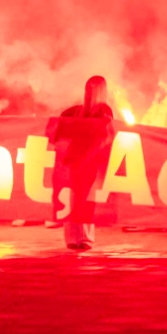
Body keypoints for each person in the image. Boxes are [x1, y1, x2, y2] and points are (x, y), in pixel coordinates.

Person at [47, 75, 116, 251]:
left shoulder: (104, 111)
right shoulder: (77, 111)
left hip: (92, 159)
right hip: (76, 159)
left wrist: (97, 149)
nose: (87, 92)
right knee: (73, 196)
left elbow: (109, 133)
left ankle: (85, 237)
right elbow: (62, 122)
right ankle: (72, 237)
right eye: (86, 88)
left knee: (86, 198)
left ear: (98, 91)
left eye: (91, 89)